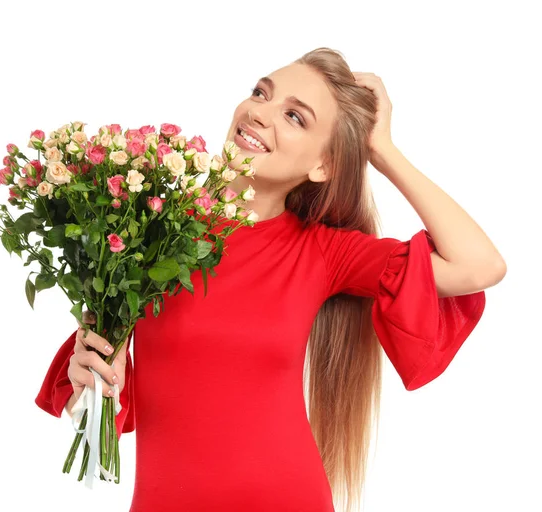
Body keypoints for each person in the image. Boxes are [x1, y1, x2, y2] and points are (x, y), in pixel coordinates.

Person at [35, 47, 505, 512]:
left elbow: (478, 266)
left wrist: (382, 150)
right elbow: (98, 416)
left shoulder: (323, 252)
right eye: (261, 93)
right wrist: (90, 384)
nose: (260, 113)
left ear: (323, 167)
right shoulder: (143, 230)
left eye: (295, 117)